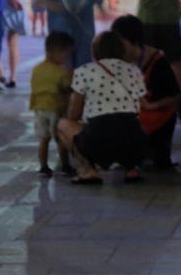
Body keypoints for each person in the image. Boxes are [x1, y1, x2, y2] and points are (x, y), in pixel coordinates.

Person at [56, 31, 149, 185]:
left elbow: (73, 114)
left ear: (95, 50)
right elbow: (140, 105)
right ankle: (131, 169)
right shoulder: (133, 70)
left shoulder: (83, 71)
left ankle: (89, 170)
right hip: (133, 140)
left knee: (62, 125)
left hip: (99, 137)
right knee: (132, 125)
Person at [112, 15, 181, 169]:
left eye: (120, 44)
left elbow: (176, 97)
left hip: (158, 115)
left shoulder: (157, 62)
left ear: (135, 42)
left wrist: (152, 106)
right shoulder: (116, 61)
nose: (116, 48)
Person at [30, 31, 75, 177]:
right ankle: (65, 165)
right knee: (61, 139)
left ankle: (43, 166)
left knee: (44, 139)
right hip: (55, 108)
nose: (66, 58)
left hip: (39, 108)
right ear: (56, 52)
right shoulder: (60, 72)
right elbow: (67, 88)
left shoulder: (36, 69)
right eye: (66, 54)